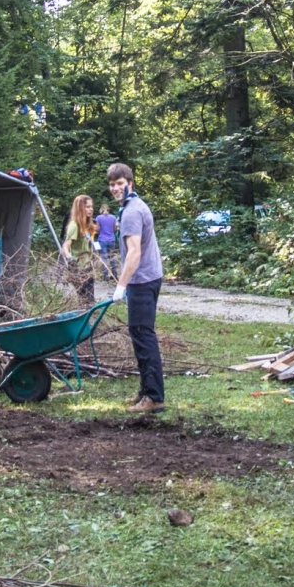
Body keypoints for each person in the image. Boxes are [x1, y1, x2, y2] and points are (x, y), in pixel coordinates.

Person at [107, 163, 165, 412]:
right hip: (149, 277)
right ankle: (146, 391)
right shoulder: (135, 206)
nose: (115, 188)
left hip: (141, 280)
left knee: (143, 335)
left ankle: (154, 397)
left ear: (130, 183)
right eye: (112, 184)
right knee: (141, 333)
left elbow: (134, 253)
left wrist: (121, 285)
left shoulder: (131, 212)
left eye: (120, 183)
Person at [61, 195, 99, 305]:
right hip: (79, 269)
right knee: (85, 300)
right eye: (87, 207)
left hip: (88, 267)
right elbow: (65, 246)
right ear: (80, 208)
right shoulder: (74, 225)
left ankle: (88, 313)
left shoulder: (87, 224)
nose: (91, 209)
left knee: (90, 299)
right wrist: (70, 259)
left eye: (91, 207)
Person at [94, 203, 118, 279]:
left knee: (104, 258)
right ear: (108, 209)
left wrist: (100, 230)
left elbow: (97, 229)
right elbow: (115, 229)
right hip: (112, 239)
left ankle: (105, 276)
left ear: (101, 209)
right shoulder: (113, 217)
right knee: (112, 257)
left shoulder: (98, 218)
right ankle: (114, 274)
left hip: (102, 240)